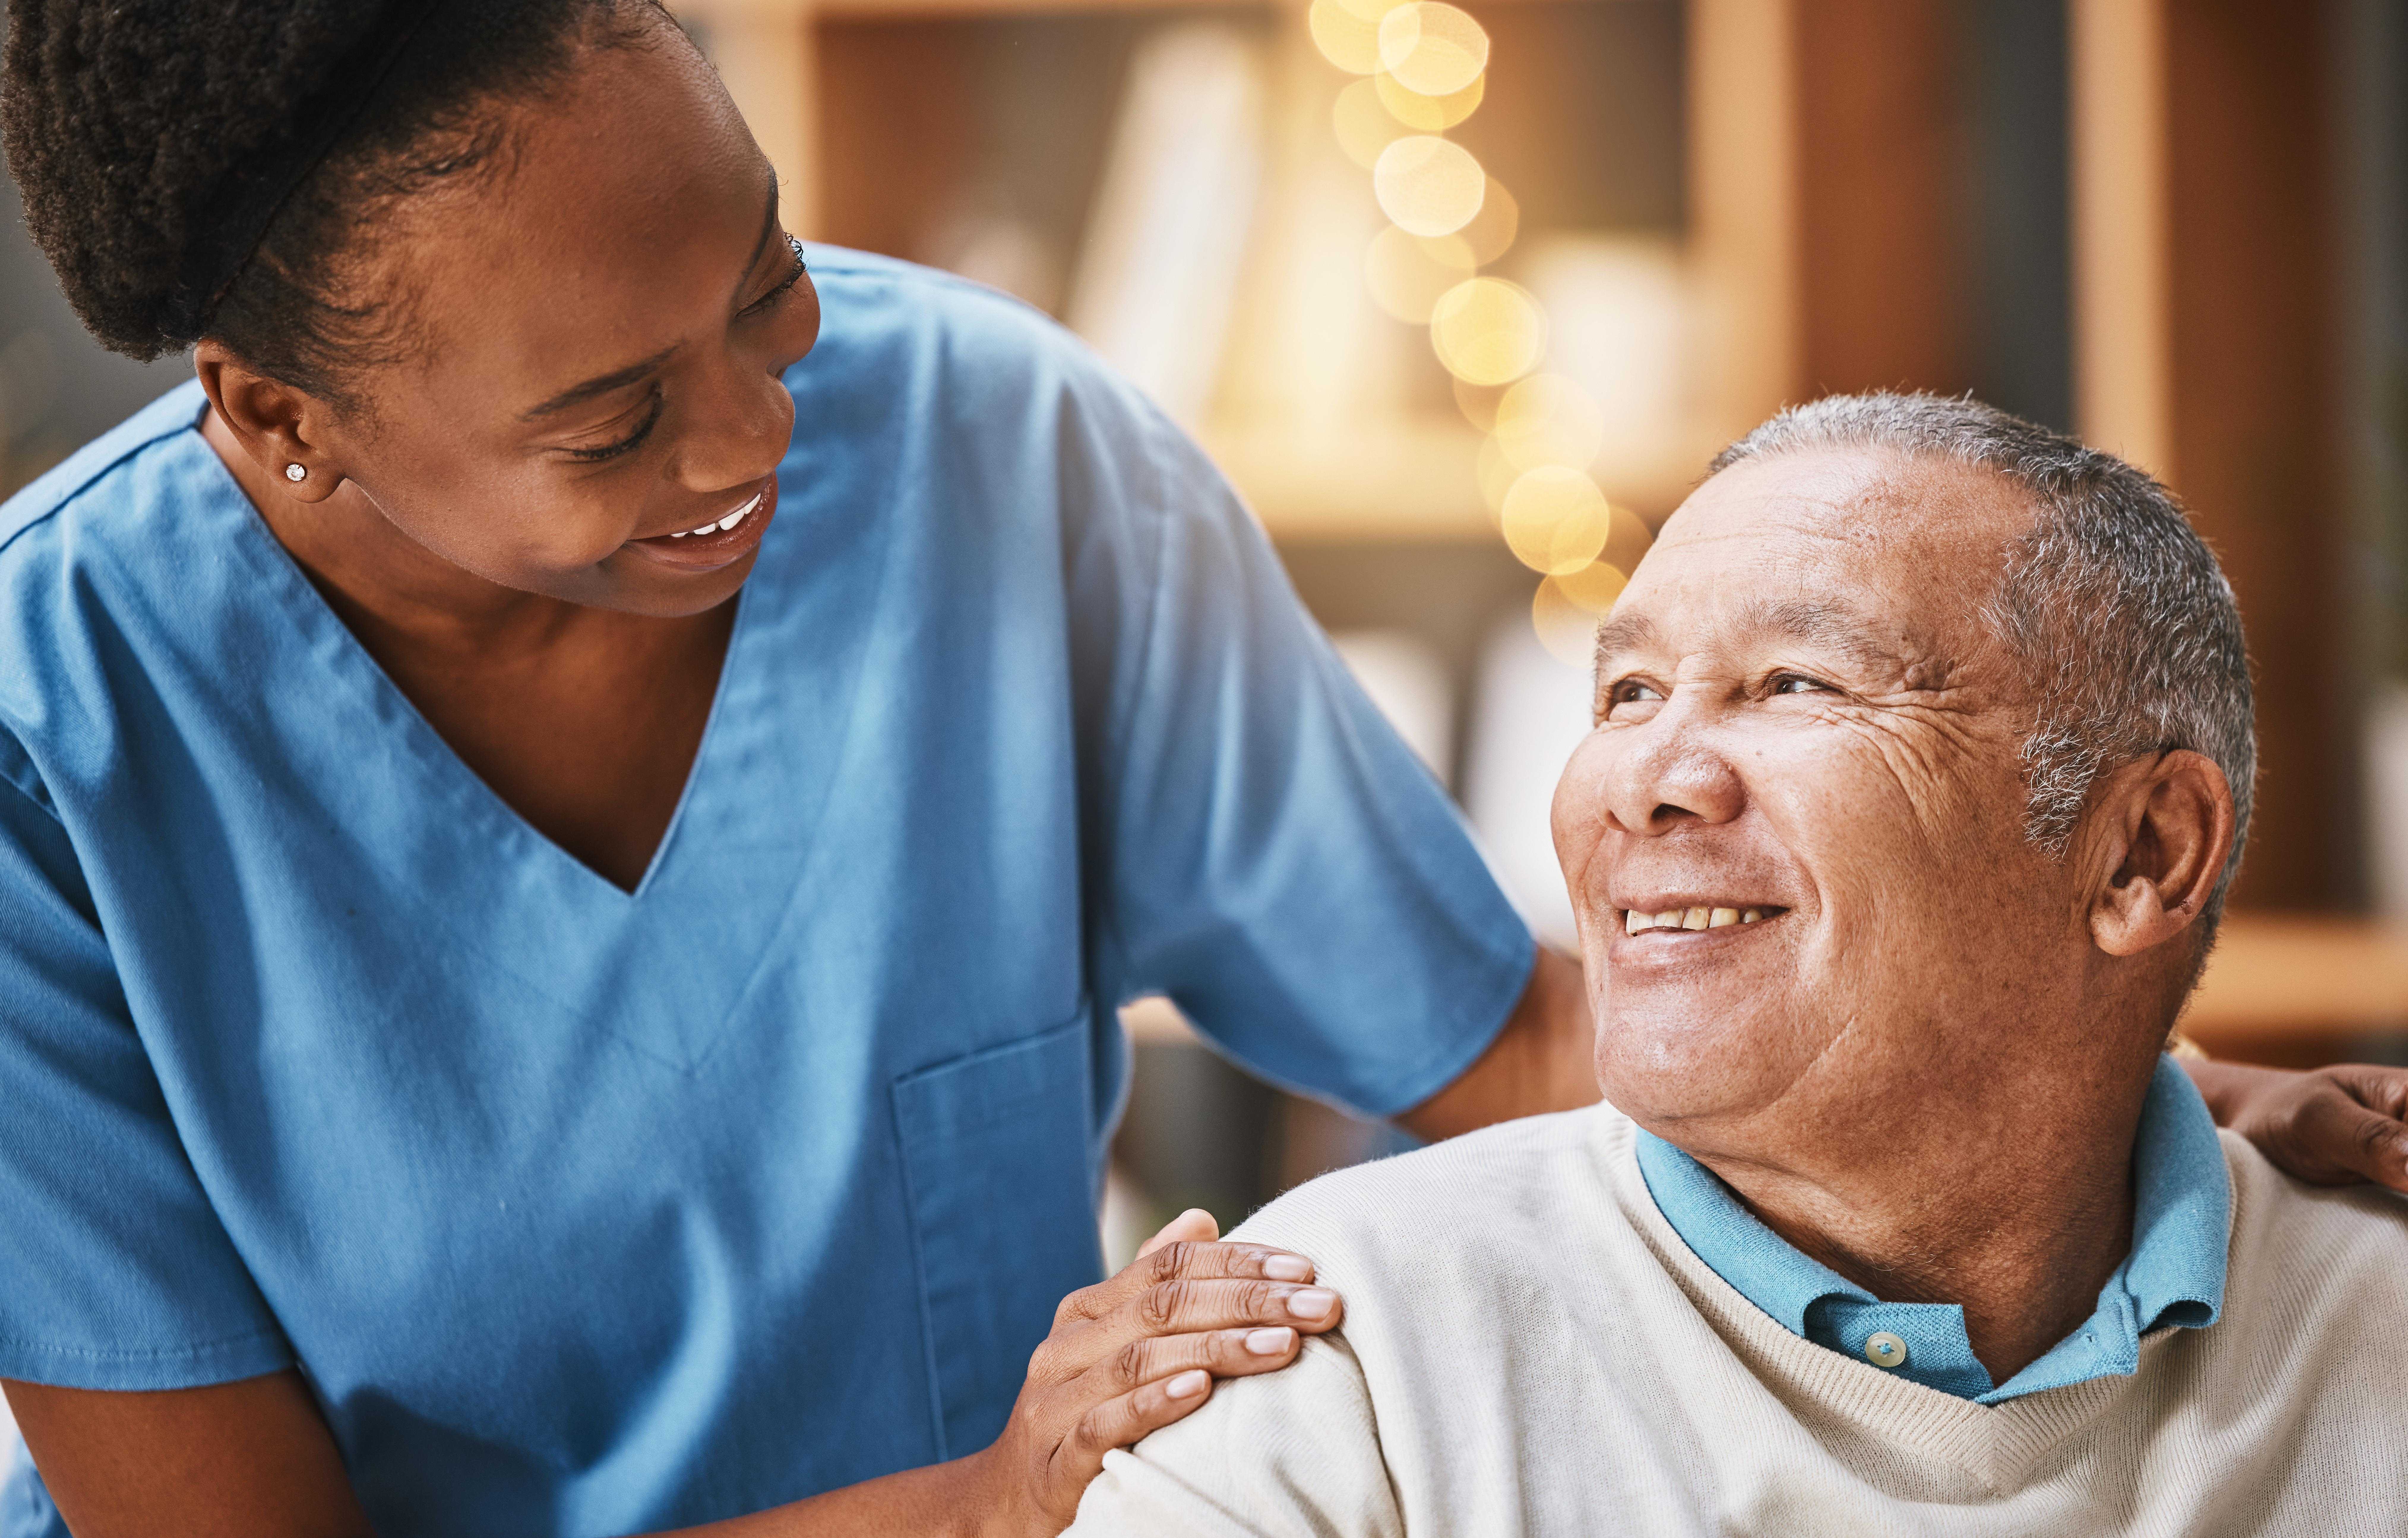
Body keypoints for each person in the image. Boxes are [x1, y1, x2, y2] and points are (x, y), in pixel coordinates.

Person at [0, 2, 2391, 1531]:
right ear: (276, 416)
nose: (762, 435)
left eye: (763, 284)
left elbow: (1511, 1043)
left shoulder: (995, 452)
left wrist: (2107, 1095)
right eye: (610, 417)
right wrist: (978, 1497)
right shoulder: (46, 741)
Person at [1066, 395, 2408, 1537]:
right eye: (1628, 694)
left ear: (2140, 855)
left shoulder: (2379, 1317)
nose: (1646, 783)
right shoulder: (1333, 1363)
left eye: (1798, 684)